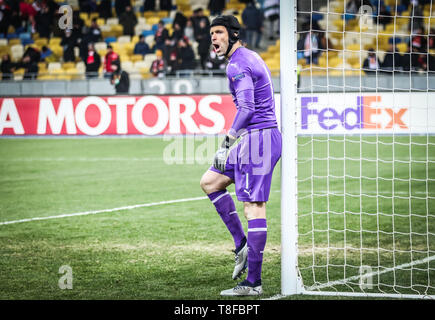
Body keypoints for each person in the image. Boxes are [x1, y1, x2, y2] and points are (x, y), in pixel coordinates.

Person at [199, 15, 282, 296]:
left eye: (219, 32)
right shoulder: (249, 57)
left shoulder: (237, 64)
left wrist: (226, 143)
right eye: (212, 33)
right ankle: (241, 245)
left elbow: (246, 108)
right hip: (256, 139)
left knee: (254, 207)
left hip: (259, 138)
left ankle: (253, 283)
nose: (214, 38)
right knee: (210, 181)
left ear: (233, 35)